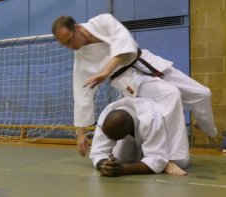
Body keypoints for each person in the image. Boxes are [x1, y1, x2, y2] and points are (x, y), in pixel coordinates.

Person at [52, 14, 217, 157]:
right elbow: (81, 94)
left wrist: (105, 71)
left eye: (70, 39)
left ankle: (208, 129)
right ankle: (172, 157)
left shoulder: (102, 21)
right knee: (170, 97)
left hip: (146, 61)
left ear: (77, 28)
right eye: (65, 44)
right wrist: (80, 134)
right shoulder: (81, 59)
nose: (70, 46)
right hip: (128, 81)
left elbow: (125, 45)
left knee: (202, 94)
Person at [89, 97, 189, 177]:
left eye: (115, 138)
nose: (112, 141)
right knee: (119, 159)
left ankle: (166, 161)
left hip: (163, 132)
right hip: (128, 128)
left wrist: (123, 169)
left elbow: (157, 158)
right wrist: (103, 165)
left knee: (179, 163)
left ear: (127, 132)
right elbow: (98, 152)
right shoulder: (106, 116)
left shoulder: (150, 119)